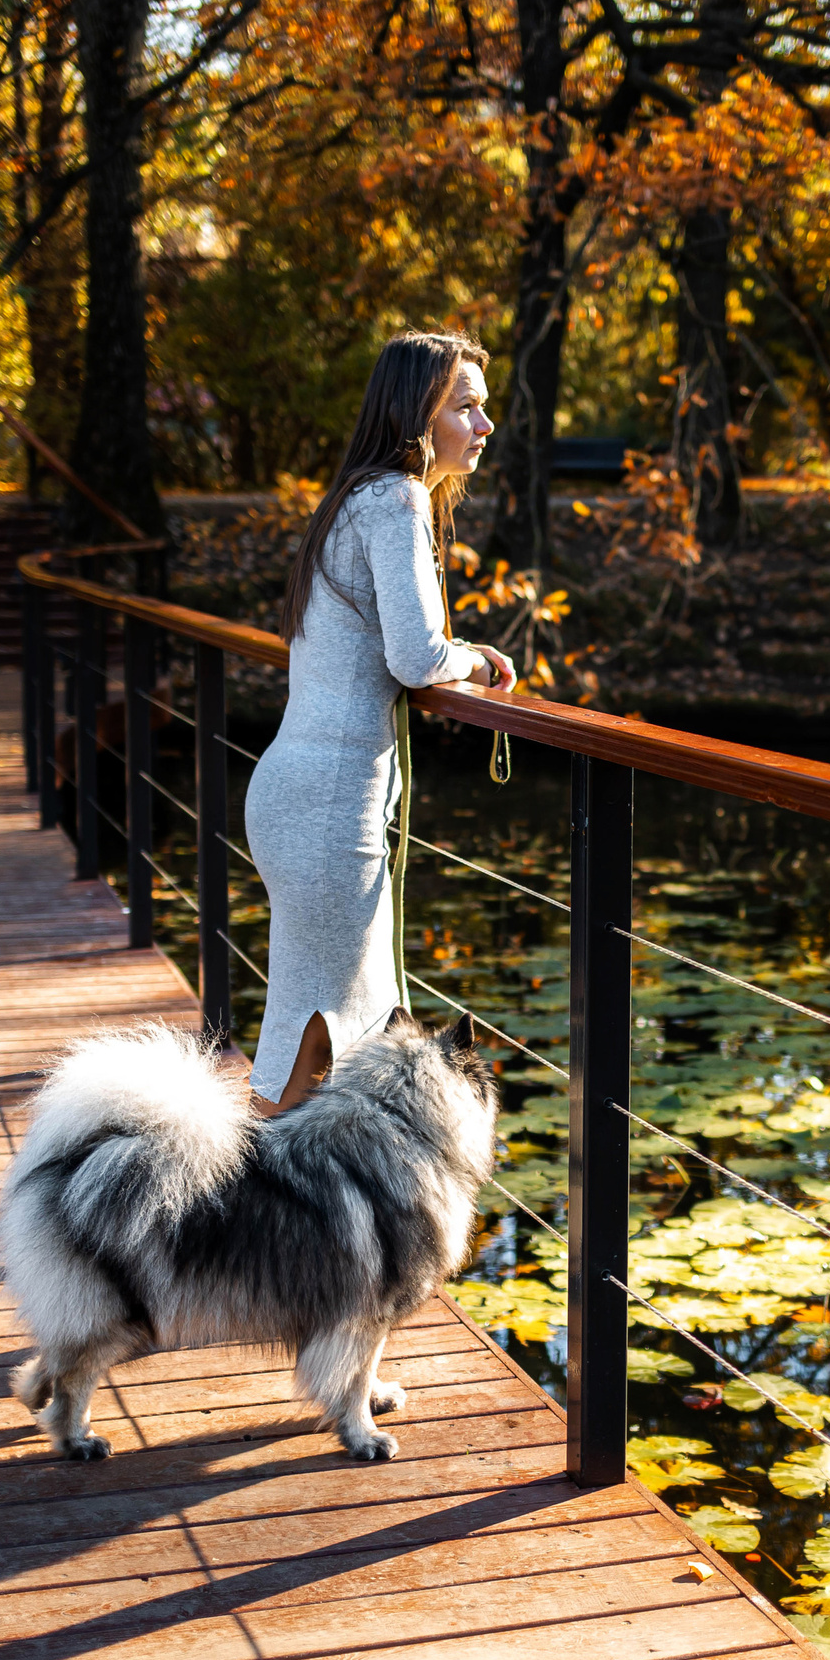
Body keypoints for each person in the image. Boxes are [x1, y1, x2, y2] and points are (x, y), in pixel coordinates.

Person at [243, 331, 518, 1115]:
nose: (484, 424)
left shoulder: (356, 497)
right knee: (318, 1037)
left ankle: (264, 1216)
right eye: (466, 406)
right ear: (416, 414)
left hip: (299, 797)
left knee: (320, 1032)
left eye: (483, 407)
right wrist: (477, 660)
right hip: (329, 811)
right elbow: (417, 656)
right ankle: (239, 1216)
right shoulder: (395, 498)